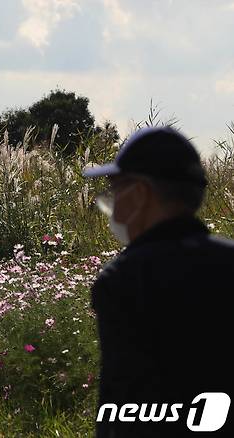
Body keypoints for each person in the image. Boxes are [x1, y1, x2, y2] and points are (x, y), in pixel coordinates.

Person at [82, 126, 234, 437]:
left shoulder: (123, 280)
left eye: (115, 190)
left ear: (139, 194)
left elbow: (122, 405)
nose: (111, 203)